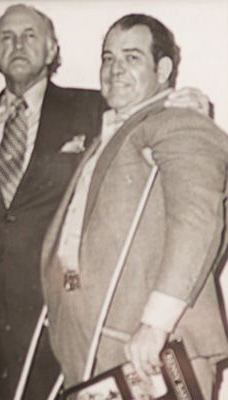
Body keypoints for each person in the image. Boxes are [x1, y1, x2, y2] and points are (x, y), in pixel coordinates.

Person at [0, 4, 210, 400]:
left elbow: (163, 135)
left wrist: (188, 102)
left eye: (30, 36)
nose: (18, 45)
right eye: (6, 37)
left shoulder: (96, 107)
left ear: (52, 50)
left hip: (52, 314)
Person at [40, 13, 228, 399]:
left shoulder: (178, 122)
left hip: (150, 348)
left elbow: (197, 222)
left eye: (132, 57)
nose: (115, 69)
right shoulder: (111, 129)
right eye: (108, 58)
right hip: (94, 340)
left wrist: (156, 325)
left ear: (163, 69)